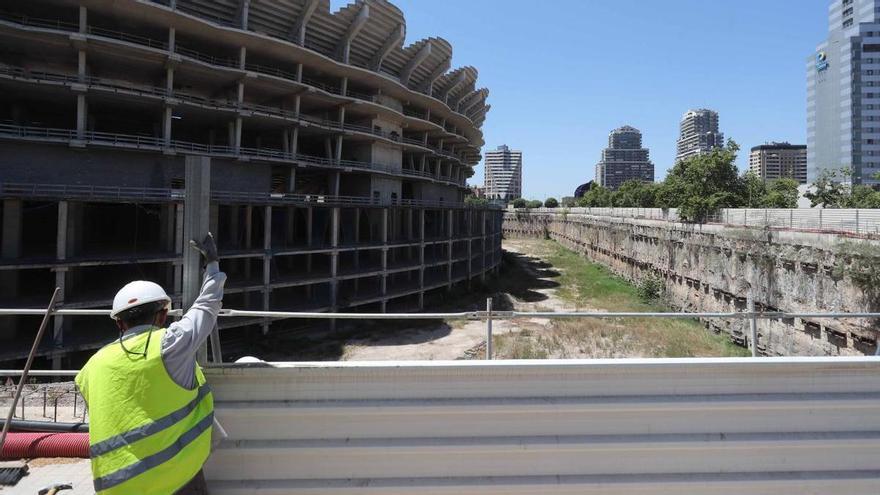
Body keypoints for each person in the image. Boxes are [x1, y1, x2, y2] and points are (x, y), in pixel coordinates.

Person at [76, 233, 226, 495]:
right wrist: (212, 264)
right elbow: (207, 305)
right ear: (163, 315)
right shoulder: (170, 344)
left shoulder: (91, 367)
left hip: (117, 487)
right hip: (175, 478)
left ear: (119, 323)